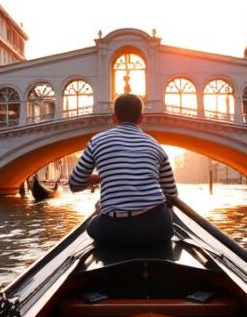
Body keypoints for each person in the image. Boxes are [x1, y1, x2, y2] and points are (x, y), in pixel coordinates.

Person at [68, 93, 178, 245]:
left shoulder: (96, 141)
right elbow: (171, 194)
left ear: (114, 118)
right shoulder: (156, 145)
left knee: (92, 226)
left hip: (113, 230)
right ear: (141, 118)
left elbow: (75, 184)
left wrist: (100, 178)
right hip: (158, 229)